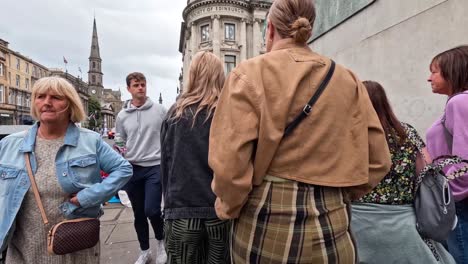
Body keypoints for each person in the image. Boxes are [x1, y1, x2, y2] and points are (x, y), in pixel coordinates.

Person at [208, 0, 392, 262]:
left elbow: (229, 166)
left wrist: (229, 208)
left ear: (269, 29)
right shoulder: (347, 79)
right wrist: (337, 193)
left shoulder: (248, 74)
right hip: (333, 224)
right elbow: (379, 160)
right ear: (310, 29)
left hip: (265, 222)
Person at [0, 76, 132, 264]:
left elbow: (123, 169)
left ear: (70, 104)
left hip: (75, 247)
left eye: (56, 97)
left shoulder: (90, 141)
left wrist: (89, 197)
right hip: (23, 250)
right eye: (40, 96)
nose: (47, 102)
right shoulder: (9, 145)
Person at [351, 80, 455, 263]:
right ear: (384, 102)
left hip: (358, 222)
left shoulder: (349, 135)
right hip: (404, 222)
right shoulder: (406, 132)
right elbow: (427, 169)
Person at [160, 51, 230, 264]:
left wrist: (168, 205)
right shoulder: (228, 113)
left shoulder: (175, 114)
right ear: (220, 75)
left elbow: (166, 166)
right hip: (220, 210)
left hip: (182, 211)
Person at [116, 72, 167, 264]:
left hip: (155, 166)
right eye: (136, 85)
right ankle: (144, 251)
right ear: (128, 89)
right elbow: (120, 138)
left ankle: (162, 243)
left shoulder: (160, 110)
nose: (140, 88)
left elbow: (168, 134)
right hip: (132, 168)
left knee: (152, 210)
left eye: (143, 84)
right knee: (138, 213)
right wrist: (121, 152)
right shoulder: (122, 115)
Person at [426, 46, 468, 264]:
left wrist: (449, 192)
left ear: (453, 70)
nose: (428, 78)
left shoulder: (459, 102)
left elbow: (464, 161)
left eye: (434, 71)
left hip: (459, 201)